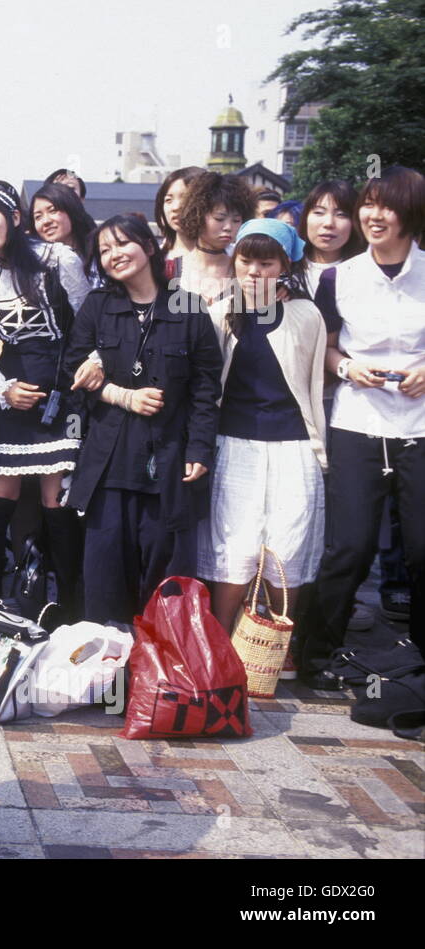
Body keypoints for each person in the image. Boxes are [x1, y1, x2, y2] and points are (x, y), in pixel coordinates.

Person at [301, 166, 425, 688]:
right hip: (357, 422)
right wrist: (347, 367)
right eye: (368, 205)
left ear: (411, 215)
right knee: (349, 546)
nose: (373, 216)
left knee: (421, 548)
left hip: (419, 425)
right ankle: (317, 656)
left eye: (386, 206)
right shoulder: (340, 277)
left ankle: (417, 661)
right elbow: (324, 348)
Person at [64, 213, 221, 624]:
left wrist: (200, 448)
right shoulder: (98, 306)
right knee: (104, 579)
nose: (115, 255)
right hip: (110, 464)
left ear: (149, 247)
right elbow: (70, 371)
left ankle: (164, 670)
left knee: (166, 581)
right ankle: (109, 673)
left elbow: (207, 386)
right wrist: (119, 394)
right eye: (105, 250)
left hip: (170, 464)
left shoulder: (187, 306)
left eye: (123, 243)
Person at [0, 181, 90, 615]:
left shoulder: (58, 259)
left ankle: (68, 608)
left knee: (58, 501)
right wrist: (2, 389)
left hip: (63, 391)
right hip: (11, 393)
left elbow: (89, 322)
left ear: (15, 218)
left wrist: (80, 376)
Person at [196, 221, 328, 654]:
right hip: (234, 444)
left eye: (266, 262)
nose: (254, 271)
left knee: (287, 550)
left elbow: (312, 385)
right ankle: (219, 644)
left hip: (293, 446)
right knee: (235, 547)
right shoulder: (220, 313)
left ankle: (275, 648)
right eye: (246, 260)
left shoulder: (306, 315)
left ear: (284, 265)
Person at [172, 171, 256, 304]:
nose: (228, 227)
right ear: (197, 215)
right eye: (219, 218)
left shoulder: (247, 272)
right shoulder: (170, 269)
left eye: (236, 220)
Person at [31, 182, 98, 286]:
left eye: (52, 211)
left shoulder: (99, 255)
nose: (46, 221)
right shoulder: (35, 267)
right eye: (38, 217)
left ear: (71, 210)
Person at [154, 166, 205, 261]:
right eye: (168, 200)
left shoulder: (234, 258)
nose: (176, 207)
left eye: (186, 199)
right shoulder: (155, 260)